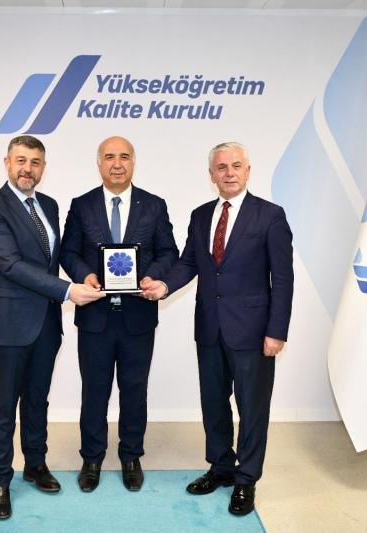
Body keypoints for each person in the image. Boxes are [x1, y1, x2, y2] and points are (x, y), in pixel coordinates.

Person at [141, 141, 293, 516]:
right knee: (213, 403)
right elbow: (188, 263)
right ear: (211, 175)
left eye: (236, 166)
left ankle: (246, 479)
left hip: (254, 331)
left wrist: (277, 331)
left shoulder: (270, 216)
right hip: (209, 328)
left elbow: (283, 279)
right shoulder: (200, 215)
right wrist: (164, 285)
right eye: (222, 167)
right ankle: (221, 467)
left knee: (252, 408)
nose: (229, 173)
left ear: (248, 171)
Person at [0, 135, 105, 520]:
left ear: (43, 168)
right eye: (21, 160)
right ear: (7, 163)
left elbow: (54, 258)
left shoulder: (48, 205)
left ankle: (35, 464)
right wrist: (68, 290)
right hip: (8, 324)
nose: (27, 169)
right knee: (3, 407)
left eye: (35, 162)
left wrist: (85, 275)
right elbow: (10, 265)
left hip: (46, 323)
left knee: (37, 400)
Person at [60, 136, 179, 492]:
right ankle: (91, 458)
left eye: (124, 156)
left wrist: (152, 276)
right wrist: (84, 275)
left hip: (137, 316)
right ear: (99, 163)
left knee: (134, 389)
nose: (117, 163)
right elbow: (68, 252)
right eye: (109, 156)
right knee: (94, 390)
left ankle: (131, 456)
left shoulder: (154, 205)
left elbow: (169, 252)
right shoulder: (82, 205)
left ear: (133, 162)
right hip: (95, 316)